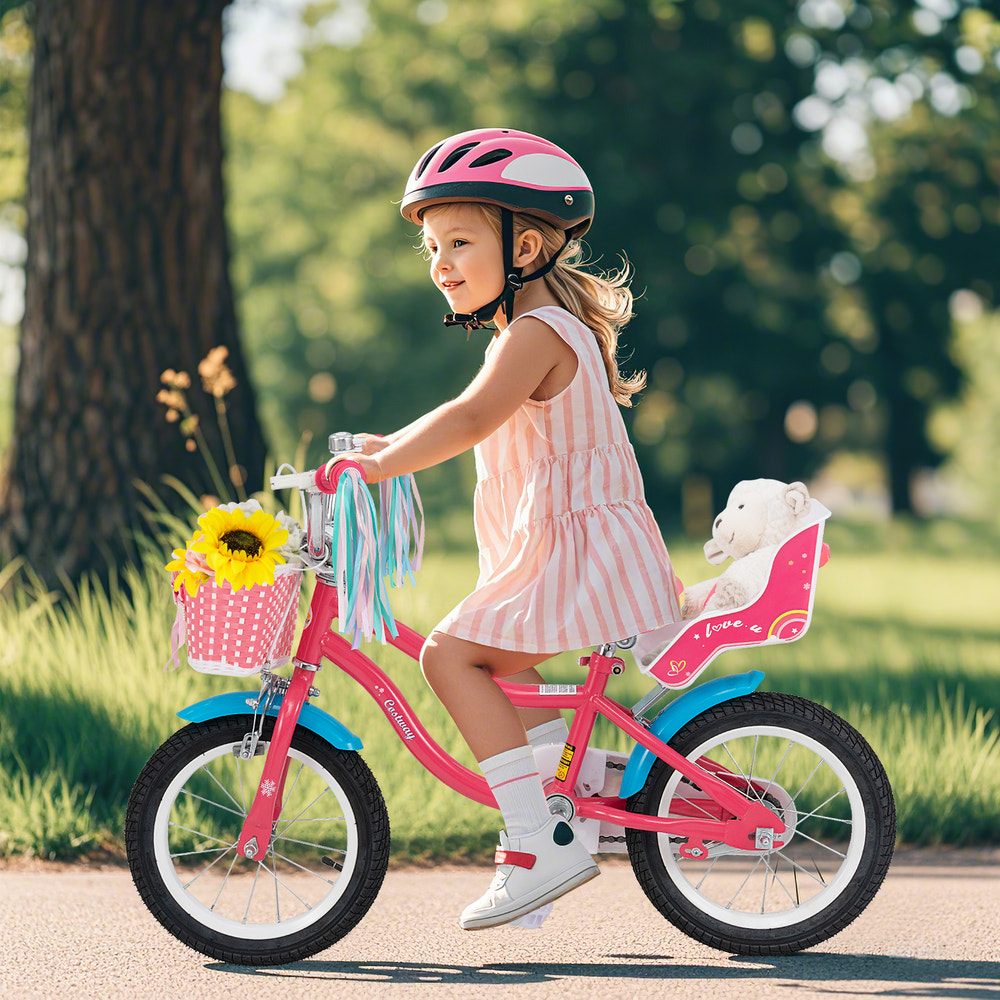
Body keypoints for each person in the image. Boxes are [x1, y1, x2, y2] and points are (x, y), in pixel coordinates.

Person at [328, 128, 682, 930]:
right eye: (430, 247)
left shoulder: (536, 333)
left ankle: (538, 842)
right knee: (516, 687)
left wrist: (380, 470)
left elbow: (472, 417)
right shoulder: (535, 328)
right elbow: (471, 420)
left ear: (524, 244)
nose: (440, 263)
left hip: (575, 552)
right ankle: (564, 818)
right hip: (571, 547)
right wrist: (386, 448)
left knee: (448, 655)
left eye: (459, 240)